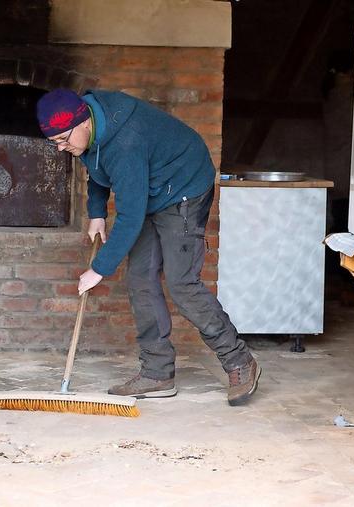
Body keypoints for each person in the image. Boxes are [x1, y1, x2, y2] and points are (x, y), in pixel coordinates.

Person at [36, 89, 260, 406]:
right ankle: (157, 373)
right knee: (140, 278)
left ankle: (239, 361)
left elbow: (129, 215)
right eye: (55, 142)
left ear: (83, 120)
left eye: (63, 139)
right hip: (151, 189)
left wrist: (99, 268)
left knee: (182, 284)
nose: (62, 148)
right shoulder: (90, 131)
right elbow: (97, 166)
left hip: (184, 186)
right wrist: (96, 213)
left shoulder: (125, 142)